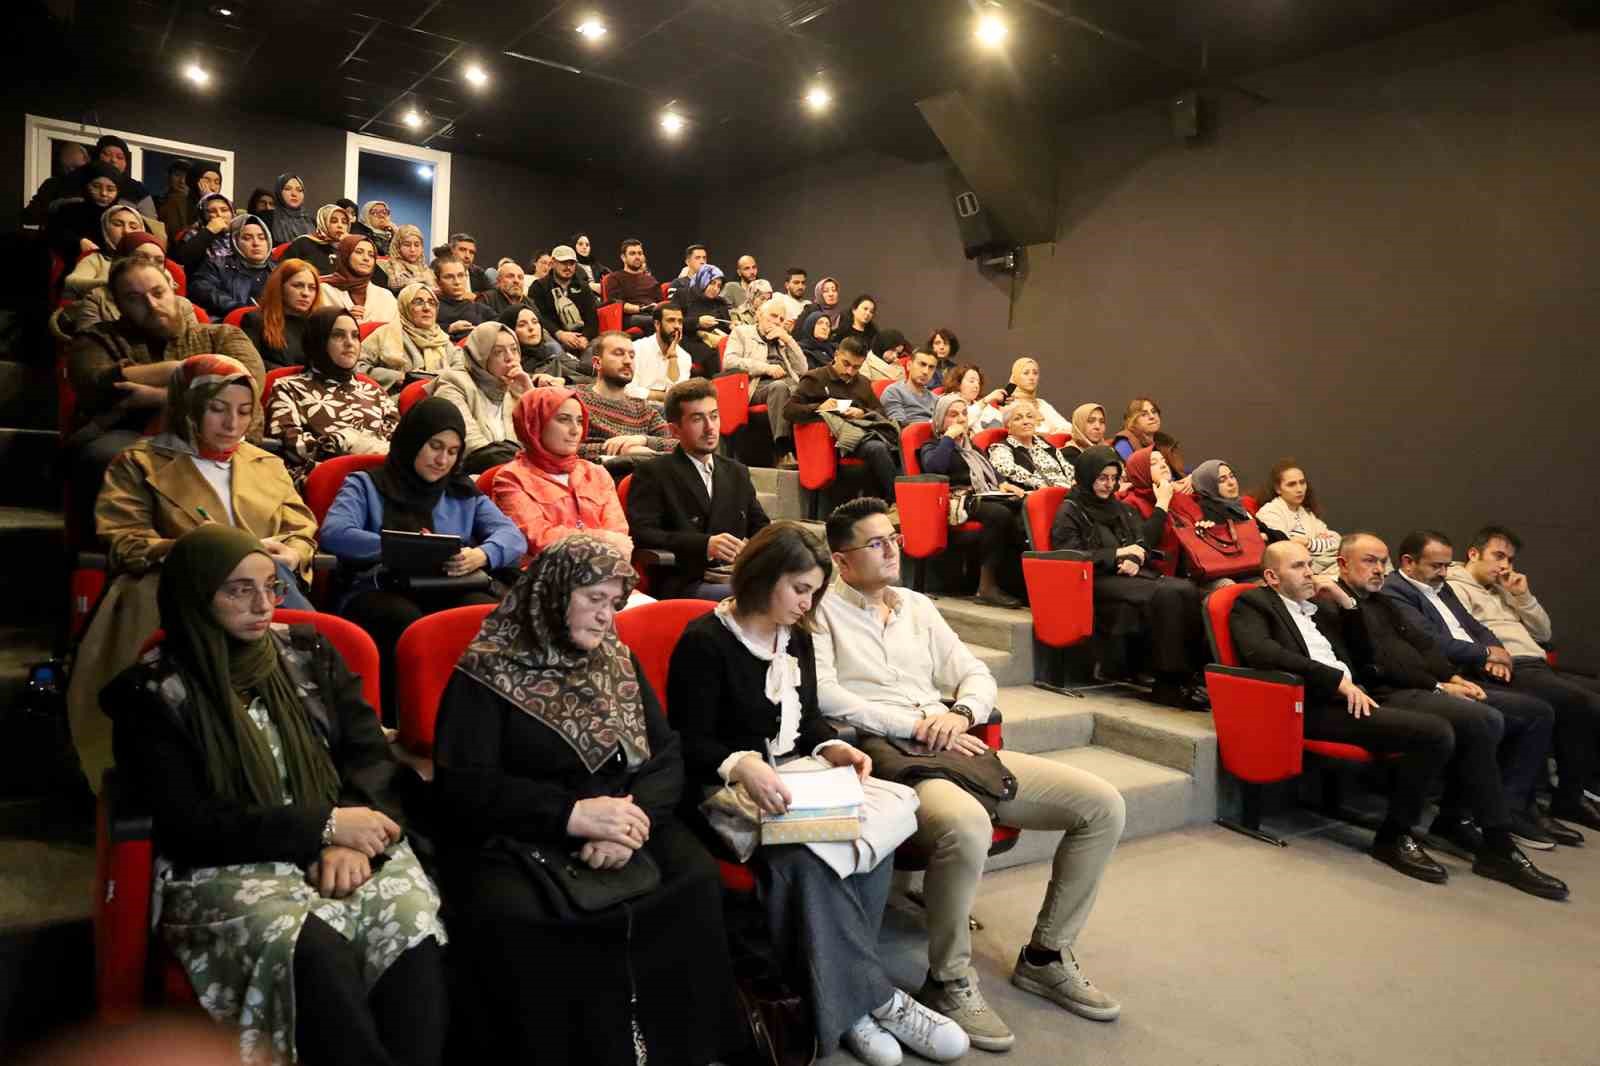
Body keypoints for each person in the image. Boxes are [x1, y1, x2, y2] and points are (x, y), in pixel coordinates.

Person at [102, 525, 447, 1066]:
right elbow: (190, 825)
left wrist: (351, 842)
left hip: (347, 842)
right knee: (312, 946)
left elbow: (369, 759)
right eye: (239, 589)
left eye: (272, 586)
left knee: (409, 923)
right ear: (197, 594)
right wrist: (324, 828)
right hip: (230, 863)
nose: (264, 605)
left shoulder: (310, 655)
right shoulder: (151, 695)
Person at [814, 496, 1127, 1051]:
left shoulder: (916, 605)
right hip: (886, 755)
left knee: (1102, 804)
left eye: (895, 538)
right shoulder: (819, 612)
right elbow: (829, 697)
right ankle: (950, 979)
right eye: (877, 543)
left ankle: (1046, 955)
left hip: (954, 742)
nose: (893, 551)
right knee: (967, 825)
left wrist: (960, 713)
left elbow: (973, 674)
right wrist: (917, 721)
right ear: (841, 560)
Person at [432, 535, 744, 1064]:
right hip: (525, 828)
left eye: (614, 602)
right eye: (594, 599)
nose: (606, 617)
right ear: (553, 594)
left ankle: (676, 1047)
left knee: (692, 879)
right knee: (517, 915)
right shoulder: (488, 669)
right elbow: (466, 785)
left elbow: (665, 754)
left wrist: (632, 819)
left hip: (625, 815)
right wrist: (572, 817)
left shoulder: (615, 658)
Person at [668, 522, 970, 1064]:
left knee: (870, 836)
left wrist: (835, 748)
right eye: (800, 589)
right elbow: (685, 742)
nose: (808, 603)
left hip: (796, 777)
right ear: (763, 579)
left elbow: (806, 723)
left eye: (814, 592)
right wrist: (744, 764)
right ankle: (871, 999)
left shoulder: (798, 636)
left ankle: (852, 997)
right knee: (806, 861)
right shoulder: (705, 641)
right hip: (726, 791)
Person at [69, 354, 315, 792]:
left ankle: (303, 747)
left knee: (283, 600)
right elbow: (125, 539)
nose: (232, 424)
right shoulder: (139, 461)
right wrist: (194, 549)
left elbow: (300, 529)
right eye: (218, 409)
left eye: (243, 411)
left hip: (266, 585)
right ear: (187, 405)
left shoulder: (267, 464)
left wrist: (295, 552)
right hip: (175, 587)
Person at [1231, 542, 1468, 882]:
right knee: (1434, 733)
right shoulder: (1253, 602)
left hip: (1355, 695)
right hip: (1308, 705)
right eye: (1298, 566)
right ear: (1271, 576)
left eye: (1311, 564)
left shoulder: (1315, 609)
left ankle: (1444, 820)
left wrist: (1346, 603)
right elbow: (1262, 653)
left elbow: (1363, 655)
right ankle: (1394, 837)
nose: (1310, 572)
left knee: (1455, 721)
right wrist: (1336, 682)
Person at [1335, 535, 1573, 859]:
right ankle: (1494, 839)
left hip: (1422, 683)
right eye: (1369, 561)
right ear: (1342, 564)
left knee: (1530, 711)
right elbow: (1377, 664)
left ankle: (1464, 819)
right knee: (1482, 718)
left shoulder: (1383, 601)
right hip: (1384, 692)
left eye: (1382, 561)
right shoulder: (1335, 602)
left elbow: (1424, 646)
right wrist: (1439, 685)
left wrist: (1453, 677)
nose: (1379, 569)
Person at [320, 398, 525, 718]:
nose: (443, 459)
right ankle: (405, 720)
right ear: (413, 440)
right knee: (404, 621)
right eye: (435, 446)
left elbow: (512, 537)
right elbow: (335, 533)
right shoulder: (365, 483)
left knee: (482, 614)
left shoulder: (462, 491)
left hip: (445, 585)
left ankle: (475, 719)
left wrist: (482, 554)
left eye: (453, 451)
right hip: (378, 587)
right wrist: (402, 547)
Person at [65, 259, 267, 534]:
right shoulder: (97, 338)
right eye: (134, 298)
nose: (151, 304)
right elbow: (96, 382)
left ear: (173, 288)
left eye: (157, 292)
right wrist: (191, 371)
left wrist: (154, 394)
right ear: (117, 303)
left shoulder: (223, 335)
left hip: (220, 438)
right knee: (109, 456)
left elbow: (247, 385)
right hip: (127, 433)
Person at [1442, 527, 1600, 830]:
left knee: (1592, 694)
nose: (1505, 566)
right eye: (1498, 556)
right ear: (1474, 554)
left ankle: (1586, 786)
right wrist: (1489, 655)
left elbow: (1544, 634)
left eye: (1510, 560)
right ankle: (1569, 797)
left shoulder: (1505, 589)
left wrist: (1523, 597)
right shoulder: (1455, 587)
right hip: (1508, 668)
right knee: (1579, 702)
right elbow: (1458, 632)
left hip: (1538, 664)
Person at [1050, 446, 1211, 709]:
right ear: (1087, 475)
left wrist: (1134, 558)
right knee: (1168, 594)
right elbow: (1069, 557)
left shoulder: (1119, 507)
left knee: (1186, 589)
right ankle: (1168, 684)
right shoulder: (1070, 509)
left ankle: (1187, 676)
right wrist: (1116, 554)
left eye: (1113, 478)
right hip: (1092, 580)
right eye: (1102, 478)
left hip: (1129, 576)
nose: (1109, 485)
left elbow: (1140, 541)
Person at [624, 379, 770, 600]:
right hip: (683, 581)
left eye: (714, 416)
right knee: (763, 595)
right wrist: (705, 545)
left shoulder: (737, 472)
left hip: (733, 574)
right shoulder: (653, 472)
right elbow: (643, 534)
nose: (710, 427)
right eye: (697, 419)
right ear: (675, 430)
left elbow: (761, 527)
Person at [491, 388, 632, 561]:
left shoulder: (597, 473)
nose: (575, 430)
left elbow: (619, 537)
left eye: (580, 421)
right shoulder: (511, 478)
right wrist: (601, 539)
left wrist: (606, 544)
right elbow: (539, 539)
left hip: (605, 574)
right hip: (546, 579)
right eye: (563, 419)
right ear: (534, 424)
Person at [267, 308, 398, 490]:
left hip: (382, 482)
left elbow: (399, 444)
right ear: (318, 341)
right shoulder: (288, 387)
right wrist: (345, 441)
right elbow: (293, 446)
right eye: (338, 336)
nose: (349, 343)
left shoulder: (373, 391)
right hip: (326, 483)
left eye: (355, 336)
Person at [921, 394, 1028, 606]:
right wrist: (948, 439)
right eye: (953, 415)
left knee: (1022, 507)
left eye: (963, 414)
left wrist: (1002, 483)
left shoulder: (972, 446)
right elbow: (933, 468)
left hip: (983, 496)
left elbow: (988, 470)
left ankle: (1014, 582)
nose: (961, 419)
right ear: (941, 419)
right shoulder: (933, 445)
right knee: (1000, 514)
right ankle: (986, 587)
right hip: (956, 501)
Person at [784, 338, 902, 504]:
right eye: (846, 363)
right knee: (877, 449)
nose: (850, 371)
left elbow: (880, 412)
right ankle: (899, 501)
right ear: (836, 354)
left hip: (861, 431)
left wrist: (862, 412)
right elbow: (789, 410)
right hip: (834, 439)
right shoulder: (815, 378)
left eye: (856, 367)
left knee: (896, 446)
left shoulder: (862, 382)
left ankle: (889, 502)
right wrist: (819, 406)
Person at [52, 232, 197, 341]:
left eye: (159, 261)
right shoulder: (97, 299)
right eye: (141, 258)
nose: (151, 265)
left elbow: (197, 348)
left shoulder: (182, 305)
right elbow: (90, 349)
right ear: (121, 259)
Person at [431, 321, 533, 473]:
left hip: (517, 472)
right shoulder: (454, 384)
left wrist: (529, 394)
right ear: (480, 356)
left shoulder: (514, 385)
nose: (510, 358)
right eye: (499, 352)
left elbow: (546, 441)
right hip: (474, 475)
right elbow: (470, 444)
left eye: (514, 349)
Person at [1164, 459, 1284, 587]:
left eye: (1232, 476)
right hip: (1231, 573)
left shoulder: (1239, 507)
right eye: (1222, 480)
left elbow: (1277, 536)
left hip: (1252, 569)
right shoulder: (1208, 509)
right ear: (1209, 484)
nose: (1231, 483)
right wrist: (1257, 537)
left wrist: (1265, 536)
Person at [721, 297, 808, 465]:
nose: (777, 322)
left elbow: (803, 370)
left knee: (809, 393)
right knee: (779, 387)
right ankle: (784, 452)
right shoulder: (742, 333)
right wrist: (766, 368)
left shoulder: (782, 340)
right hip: (756, 386)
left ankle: (811, 456)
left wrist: (789, 340)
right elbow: (729, 362)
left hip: (788, 385)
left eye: (781, 319)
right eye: (773, 316)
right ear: (759, 314)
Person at [575, 332, 677, 466]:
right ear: (597, 363)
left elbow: (678, 445)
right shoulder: (576, 398)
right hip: (596, 475)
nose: (628, 361)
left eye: (632, 356)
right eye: (618, 353)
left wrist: (642, 440)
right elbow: (563, 446)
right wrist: (625, 451)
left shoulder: (642, 408)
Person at [358, 282, 463, 392]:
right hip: (400, 399)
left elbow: (460, 367)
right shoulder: (385, 334)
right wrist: (395, 376)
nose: (427, 308)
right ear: (404, 306)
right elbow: (357, 366)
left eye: (432, 303)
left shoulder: (441, 338)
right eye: (418, 302)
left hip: (442, 395)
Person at [1254, 459, 1341, 574]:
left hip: (1320, 566)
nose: (1299, 489)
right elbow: (1287, 550)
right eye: (1292, 484)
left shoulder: (1305, 512)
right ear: (1278, 489)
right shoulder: (1269, 512)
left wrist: (1308, 543)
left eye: (1302, 482)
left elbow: (1337, 541)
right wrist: (1318, 543)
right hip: (1295, 571)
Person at [241, 258, 327, 370]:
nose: (306, 293)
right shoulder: (255, 320)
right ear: (279, 287)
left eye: (312, 288)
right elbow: (253, 364)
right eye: (297, 286)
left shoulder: (319, 324)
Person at [189, 214, 274, 318]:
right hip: (232, 324)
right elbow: (201, 289)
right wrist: (240, 309)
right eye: (247, 238)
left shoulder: (278, 269)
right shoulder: (216, 265)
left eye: (262, 238)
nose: (256, 243)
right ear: (235, 241)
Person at [1116, 446, 1183, 576]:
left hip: (1194, 569)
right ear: (1140, 471)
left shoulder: (1178, 496)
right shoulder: (1130, 503)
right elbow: (1141, 544)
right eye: (1154, 463)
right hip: (1153, 575)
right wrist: (1162, 503)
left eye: (1164, 461)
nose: (1163, 466)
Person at [987, 397, 1075, 492]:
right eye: (1018, 418)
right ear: (1008, 426)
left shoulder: (1046, 446)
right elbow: (1009, 471)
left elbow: (1068, 469)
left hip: (1068, 493)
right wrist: (1040, 485)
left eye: (1030, 417)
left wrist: (1075, 484)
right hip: (1039, 495)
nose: (1026, 422)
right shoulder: (1001, 448)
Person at [61, 201, 147, 297]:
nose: (126, 231)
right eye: (118, 224)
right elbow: (71, 282)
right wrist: (115, 284)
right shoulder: (96, 258)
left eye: (133, 227)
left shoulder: (153, 257)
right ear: (105, 229)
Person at [530, 244, 600, 356]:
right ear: (552, 263)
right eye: (564, 263)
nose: (568, 267)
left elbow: (592, 317)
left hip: (583, 339)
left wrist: (585, 338)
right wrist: (560, 334)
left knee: (602, 348)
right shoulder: (539, 286)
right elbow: (539, 317)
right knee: (554, 349)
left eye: (571, 263)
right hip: (554, 338)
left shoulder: (583, 287)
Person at [318, 234, 398, 324]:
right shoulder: (324, 290)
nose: (366, 258)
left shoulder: (386, 296)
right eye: (359, 252)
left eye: (371, 255)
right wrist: (344, 320)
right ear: (345, 255)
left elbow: (394, 333)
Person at [628, 303, 696, 403]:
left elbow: (678, 396)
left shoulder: (684, 357)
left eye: (680, 322)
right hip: (637, 410)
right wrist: (661, 396)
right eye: (671, 320)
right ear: (657, 324)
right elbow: (628, 390)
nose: (677, 326)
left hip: (667, 413)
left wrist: (673, 358)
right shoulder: (636, 349)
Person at [500, 305, 588, 384]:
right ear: (510, 330)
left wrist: (564, 381)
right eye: (522, 325)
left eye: (535, 322)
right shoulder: (509, 365)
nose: (531, 328)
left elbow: (590, 379)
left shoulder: (548, 354)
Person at [670, 264, 731, 370]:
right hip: (690, 338)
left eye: (719, 286)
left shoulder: (720, 302)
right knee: (714, 355)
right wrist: (698, 322)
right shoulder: (683, 295)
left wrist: (732, 326)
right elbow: (673, 322)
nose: (715, 288)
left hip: (716, 339)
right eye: (712, 283)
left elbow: (726, 326)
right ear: (702, 279)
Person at [22, 140, 89, 227]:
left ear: (87, 162)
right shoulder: (51, 184)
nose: (72, 172)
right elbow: (27, 217)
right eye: (66, 168)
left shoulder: (94, 185)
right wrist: (54, 205)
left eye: (76, 167)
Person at [602, 238, 660, 332]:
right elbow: (616, 303)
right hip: (629, 317)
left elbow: (661, 303)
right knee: (656, 322)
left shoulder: (651, 280)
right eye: (632, 253)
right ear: (623, 257)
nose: (637, 257)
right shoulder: (614, 278)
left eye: (640, 253)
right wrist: (641, 309)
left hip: (651, 314)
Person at [1002, 357, 1070, 435]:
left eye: (1035, 373)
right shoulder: (1008, 403)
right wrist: (1049, 433)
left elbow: (1067, 427)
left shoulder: (1041, 403)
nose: (1031, 378)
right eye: (1026, 373)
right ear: (1016, 377)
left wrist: (1053, 434)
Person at [432, 254, 495, 338]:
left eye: (461, 275)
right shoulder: (432, 308)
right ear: (438, 282)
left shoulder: (479, 308)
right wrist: (449, 328)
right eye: (449, 277)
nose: (457, 282)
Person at [170, 192, 235, 271]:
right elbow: (180, 259)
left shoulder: (240, 234)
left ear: (232, 213)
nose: (219, 214)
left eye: (224, 210)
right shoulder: (194, 234)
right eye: (212, 211)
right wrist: (209, 231)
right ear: (203, 216)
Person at [283, 203, 349, 275]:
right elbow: (285, 272)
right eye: (334, 221)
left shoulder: (348, 248)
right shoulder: (304, 243)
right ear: (323, 222)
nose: (340, 226)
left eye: (344, 222)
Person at [881, 347, 939, 426]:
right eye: (922, 364)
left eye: (931, 367)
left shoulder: (936, 399)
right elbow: (898, 426)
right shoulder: (894, 392)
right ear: (909, 365)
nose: (926, 371)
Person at [944, 363, 1007, 432]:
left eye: (978, 382)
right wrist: (986, 400)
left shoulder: (980, 404)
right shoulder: (948, 401)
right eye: (971, 381)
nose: (976, 385)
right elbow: (961, 422)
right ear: (958, 383)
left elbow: (999, 418)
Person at [261, 174, 313, 245]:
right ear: (279, 192)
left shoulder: (312, 222)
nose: (294, 194)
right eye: (287, 189)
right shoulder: (266, 218)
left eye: (299, 190)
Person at [384, 223, 435, 292]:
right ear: (398, 247)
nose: (412, 249)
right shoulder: (392, 267)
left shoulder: (426, 269)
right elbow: (395, 284)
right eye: (407, 245)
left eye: (417, 245)